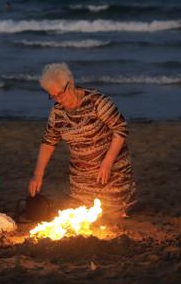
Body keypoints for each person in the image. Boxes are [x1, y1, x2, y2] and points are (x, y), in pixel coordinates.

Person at [28, 63, 136, 218]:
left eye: (60, 94)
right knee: (79, 216)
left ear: (70, 84)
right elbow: (49, 141)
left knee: (110, 215)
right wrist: (38, 174)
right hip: (81, 179)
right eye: (53, 96)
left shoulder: (97, 101)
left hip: (111, 173)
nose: (58, 99)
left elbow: (121, 129)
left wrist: (107, 162)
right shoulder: (57, 112)